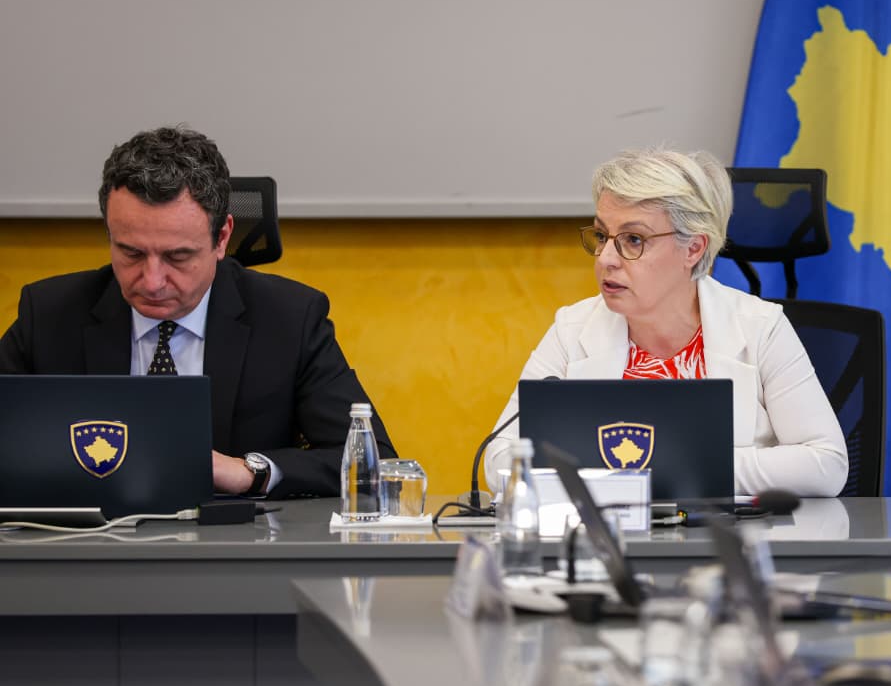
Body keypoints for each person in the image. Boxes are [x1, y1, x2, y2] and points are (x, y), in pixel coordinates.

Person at [0, 126, 395, 498]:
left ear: (222, 238)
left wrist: (250, 471)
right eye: (131, 253)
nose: (152, 281)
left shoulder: (289, 319)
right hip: (86, 541)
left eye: (177, 256)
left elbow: (372, 462)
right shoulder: (49, 314)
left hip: (232, 542)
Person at [482, 148, 847, 496]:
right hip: (609, 534)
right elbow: (499, 459)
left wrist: (686, 468)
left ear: (694, 249)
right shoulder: (572, 329)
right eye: (602, 236)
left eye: (633, 239)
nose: (606, 258)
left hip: (729, 535)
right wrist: (643, 476)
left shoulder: (760, 328)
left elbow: (826, 463)